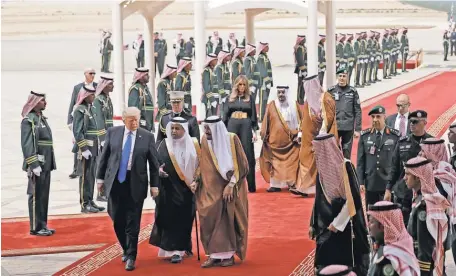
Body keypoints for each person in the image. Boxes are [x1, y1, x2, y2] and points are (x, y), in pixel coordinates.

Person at [96, 107, 161, 271]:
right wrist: (100, 179)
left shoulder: (147, 136)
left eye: (137, 119)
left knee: (133, 221)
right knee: (117, 219)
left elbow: (154, 165)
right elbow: (104, 158)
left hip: (136, 183)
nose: (135, 122)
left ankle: (131, 255)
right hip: (116, 183)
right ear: (124, 120)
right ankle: (125, 247)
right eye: (131, 119)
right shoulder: (113, 133)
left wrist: (154, 185)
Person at [310, 133, 370, 275]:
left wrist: (337, 224)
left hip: (345, 225)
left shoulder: (345, 166)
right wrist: (312, 223)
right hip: (325, 224)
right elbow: (318, 198)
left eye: (317, 149)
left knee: (344, 262)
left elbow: (353, 199)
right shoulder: (321, 169)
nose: (314, 152)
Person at [196, 116, 249, 268]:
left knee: (228, 222)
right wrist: (196, 180)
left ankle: (228, 255)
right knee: (208, 217)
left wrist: (231, 185)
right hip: (210, 189)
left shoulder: (232, 140)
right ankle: (213, 255)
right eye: (205, 128)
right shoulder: (205, 141)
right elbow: (203, 163)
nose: (206, 131)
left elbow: (243, 165)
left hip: (230, 188)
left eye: (208, 129)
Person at [149, 117, 200, 264]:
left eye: (177, 128)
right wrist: (158, 171)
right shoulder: (163, 145)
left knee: (183, 219)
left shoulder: (194, 144)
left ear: (184, 129)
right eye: (172, 128)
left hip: (187, 189)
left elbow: (200, 165)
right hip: (168, 190)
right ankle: (171, 250)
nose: (174, 131)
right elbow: (155, 164)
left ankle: (180, 249)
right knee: (168, 219)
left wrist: (196, 181)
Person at [290, 75, 338, 197]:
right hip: (308, 137)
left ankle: (312, 188)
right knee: (304, 156)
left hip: (323, 137)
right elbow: (304, 119)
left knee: (319, 163)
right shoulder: (308, 102)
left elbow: (329, 119)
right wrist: (300, 132)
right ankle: (303, 187)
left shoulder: (326, 99)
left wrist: (321, 135)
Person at [385, 110, 433, 225]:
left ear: (424, 122)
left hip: (424, 194)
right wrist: (388, 189)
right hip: (403, 192)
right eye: (410, 121)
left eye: (415, 122)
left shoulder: (431, 143)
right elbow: (394, 167)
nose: (412, 124)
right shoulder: (402, 142)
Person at [404, 157, 450, 276]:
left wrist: (422, 271)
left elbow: (424, 245)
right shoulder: (421, 198)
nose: (404, 178)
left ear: (418, 178)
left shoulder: (424, 205)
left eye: (407, 175)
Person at [21, 91, 56, 236]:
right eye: (42, 101)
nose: (45, 103)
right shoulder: (29, 121)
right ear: (34, 103)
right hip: (37, 164)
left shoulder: (41, 118)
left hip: (46, 163)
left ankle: (42, 224)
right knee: (35, 196)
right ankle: (35, 227)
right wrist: (33, 164)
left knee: (43, 196)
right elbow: (27, 144)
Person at [260, 86, 302, 192]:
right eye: (279, 92)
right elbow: (266, 121)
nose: (281, 95)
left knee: (291, 163)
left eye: (283, 92)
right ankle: (276, 185)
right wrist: (264, 135)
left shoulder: (294, 105)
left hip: (291, 141)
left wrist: (300, 134)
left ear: (287, 93)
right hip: (275, 142)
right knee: (275, 164)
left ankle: (292, 183)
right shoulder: (271, 106)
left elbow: (302, 121)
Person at [357, 106, 400, 206]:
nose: (375, 119)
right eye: (373, 117)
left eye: (378, 117)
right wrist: (361, 181)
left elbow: (396, 161)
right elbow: (360, 161)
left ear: (384, 117)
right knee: (371, 215)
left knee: (388, 214)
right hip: (371, 182)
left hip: (387, 183)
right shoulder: (365, 136)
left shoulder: (394, 136)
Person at [72, 86, 105, 213]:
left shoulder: (91, 109)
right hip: (86, 149)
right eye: (91, 95)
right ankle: (84, 204)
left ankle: (90, 200)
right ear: (85, 96)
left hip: (94, 148)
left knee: (91, 176)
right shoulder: (80, 110)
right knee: (85, 176)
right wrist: (84, 148)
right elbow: (78, 131)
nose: (94, 97)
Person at [223, 75, 258, 193]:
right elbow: (225, 116)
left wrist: (254, 131)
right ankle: (231, 182)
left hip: (246, 125)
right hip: (232, 125)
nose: (242, 87)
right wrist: (223, 130)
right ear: (236, 85)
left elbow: (253, 115)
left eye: (244, 84)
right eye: (240, 84)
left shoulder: (250, 98)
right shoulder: (229, 98)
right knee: (231, 152)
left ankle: (251, 185)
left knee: (247, 153)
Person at [367, 201, 420, 276]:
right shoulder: (402, 248)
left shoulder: (388, 258)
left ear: (383, 227)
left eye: (371, 222)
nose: (368, 225)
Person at [67, 68, 97, 179]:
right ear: (85, 74)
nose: (92, 75)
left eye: (94, 73)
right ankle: (76, 169)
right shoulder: (78, 87)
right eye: (90, 73)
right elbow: (73, 103)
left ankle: (85, 169)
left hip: (89, 118)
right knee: (78, 143)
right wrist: (70, 120)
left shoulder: (97, 86)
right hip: (79, 118)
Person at [328, 68, 362, 159]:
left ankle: (346, 172)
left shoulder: (353, 91)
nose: (342, 78)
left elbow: (358, 110)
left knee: (346, 154)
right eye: (340, 76)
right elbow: (326, 110)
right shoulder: (331, 91)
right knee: (334, 153)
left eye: (344, 76)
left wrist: (358, 129)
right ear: (337, 77)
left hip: (348, 128)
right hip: (335, 127)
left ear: (347, 77)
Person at [93, 76, 114, 202]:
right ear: (104, 85)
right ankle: (100, 193)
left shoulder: (107, 99)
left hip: (108, 134)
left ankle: (105, 191)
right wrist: (102, 138)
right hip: (102, 137)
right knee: (101, 164)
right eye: (110, 84)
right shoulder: (98, 101)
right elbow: (99, 120)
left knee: (107, 164)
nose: (112, 86)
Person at [128, 68, 154, 133]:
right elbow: (133, 109)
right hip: (141, 124)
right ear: (141, 77)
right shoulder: (136, 89)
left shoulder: (145, 88)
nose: (149, 76)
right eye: (146, 75)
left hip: (147, 123)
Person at [257, 42, 273, 122]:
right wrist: (267, 82)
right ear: (263, 48)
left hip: (267, 83)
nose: (268, 48)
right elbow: (262, 70)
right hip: (263, 83)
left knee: (265, 100)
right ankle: (261, 118)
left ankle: (263, 116)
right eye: (267, 47)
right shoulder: (260, 57)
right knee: (262, 101)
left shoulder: (265, 57)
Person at [213, 50, 232, 117]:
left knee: (226, 108)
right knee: (222, 109)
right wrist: (222, 94)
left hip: (226, 90)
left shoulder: (225, 66)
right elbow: (219, 81)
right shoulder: (219, 67)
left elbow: (227, 80)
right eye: (228, 56)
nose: (229, 57)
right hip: (220, 92)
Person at [294, 35, 307, 104]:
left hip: (304, 69)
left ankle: (301, 99)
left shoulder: (303, 47)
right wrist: (303, 70)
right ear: (300, 40)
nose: (305, 40)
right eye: (303, 39)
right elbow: (300, 60)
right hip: (301, 70)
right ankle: (299, 100)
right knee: (300, 85)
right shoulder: (299, 48)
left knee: (303, 85)